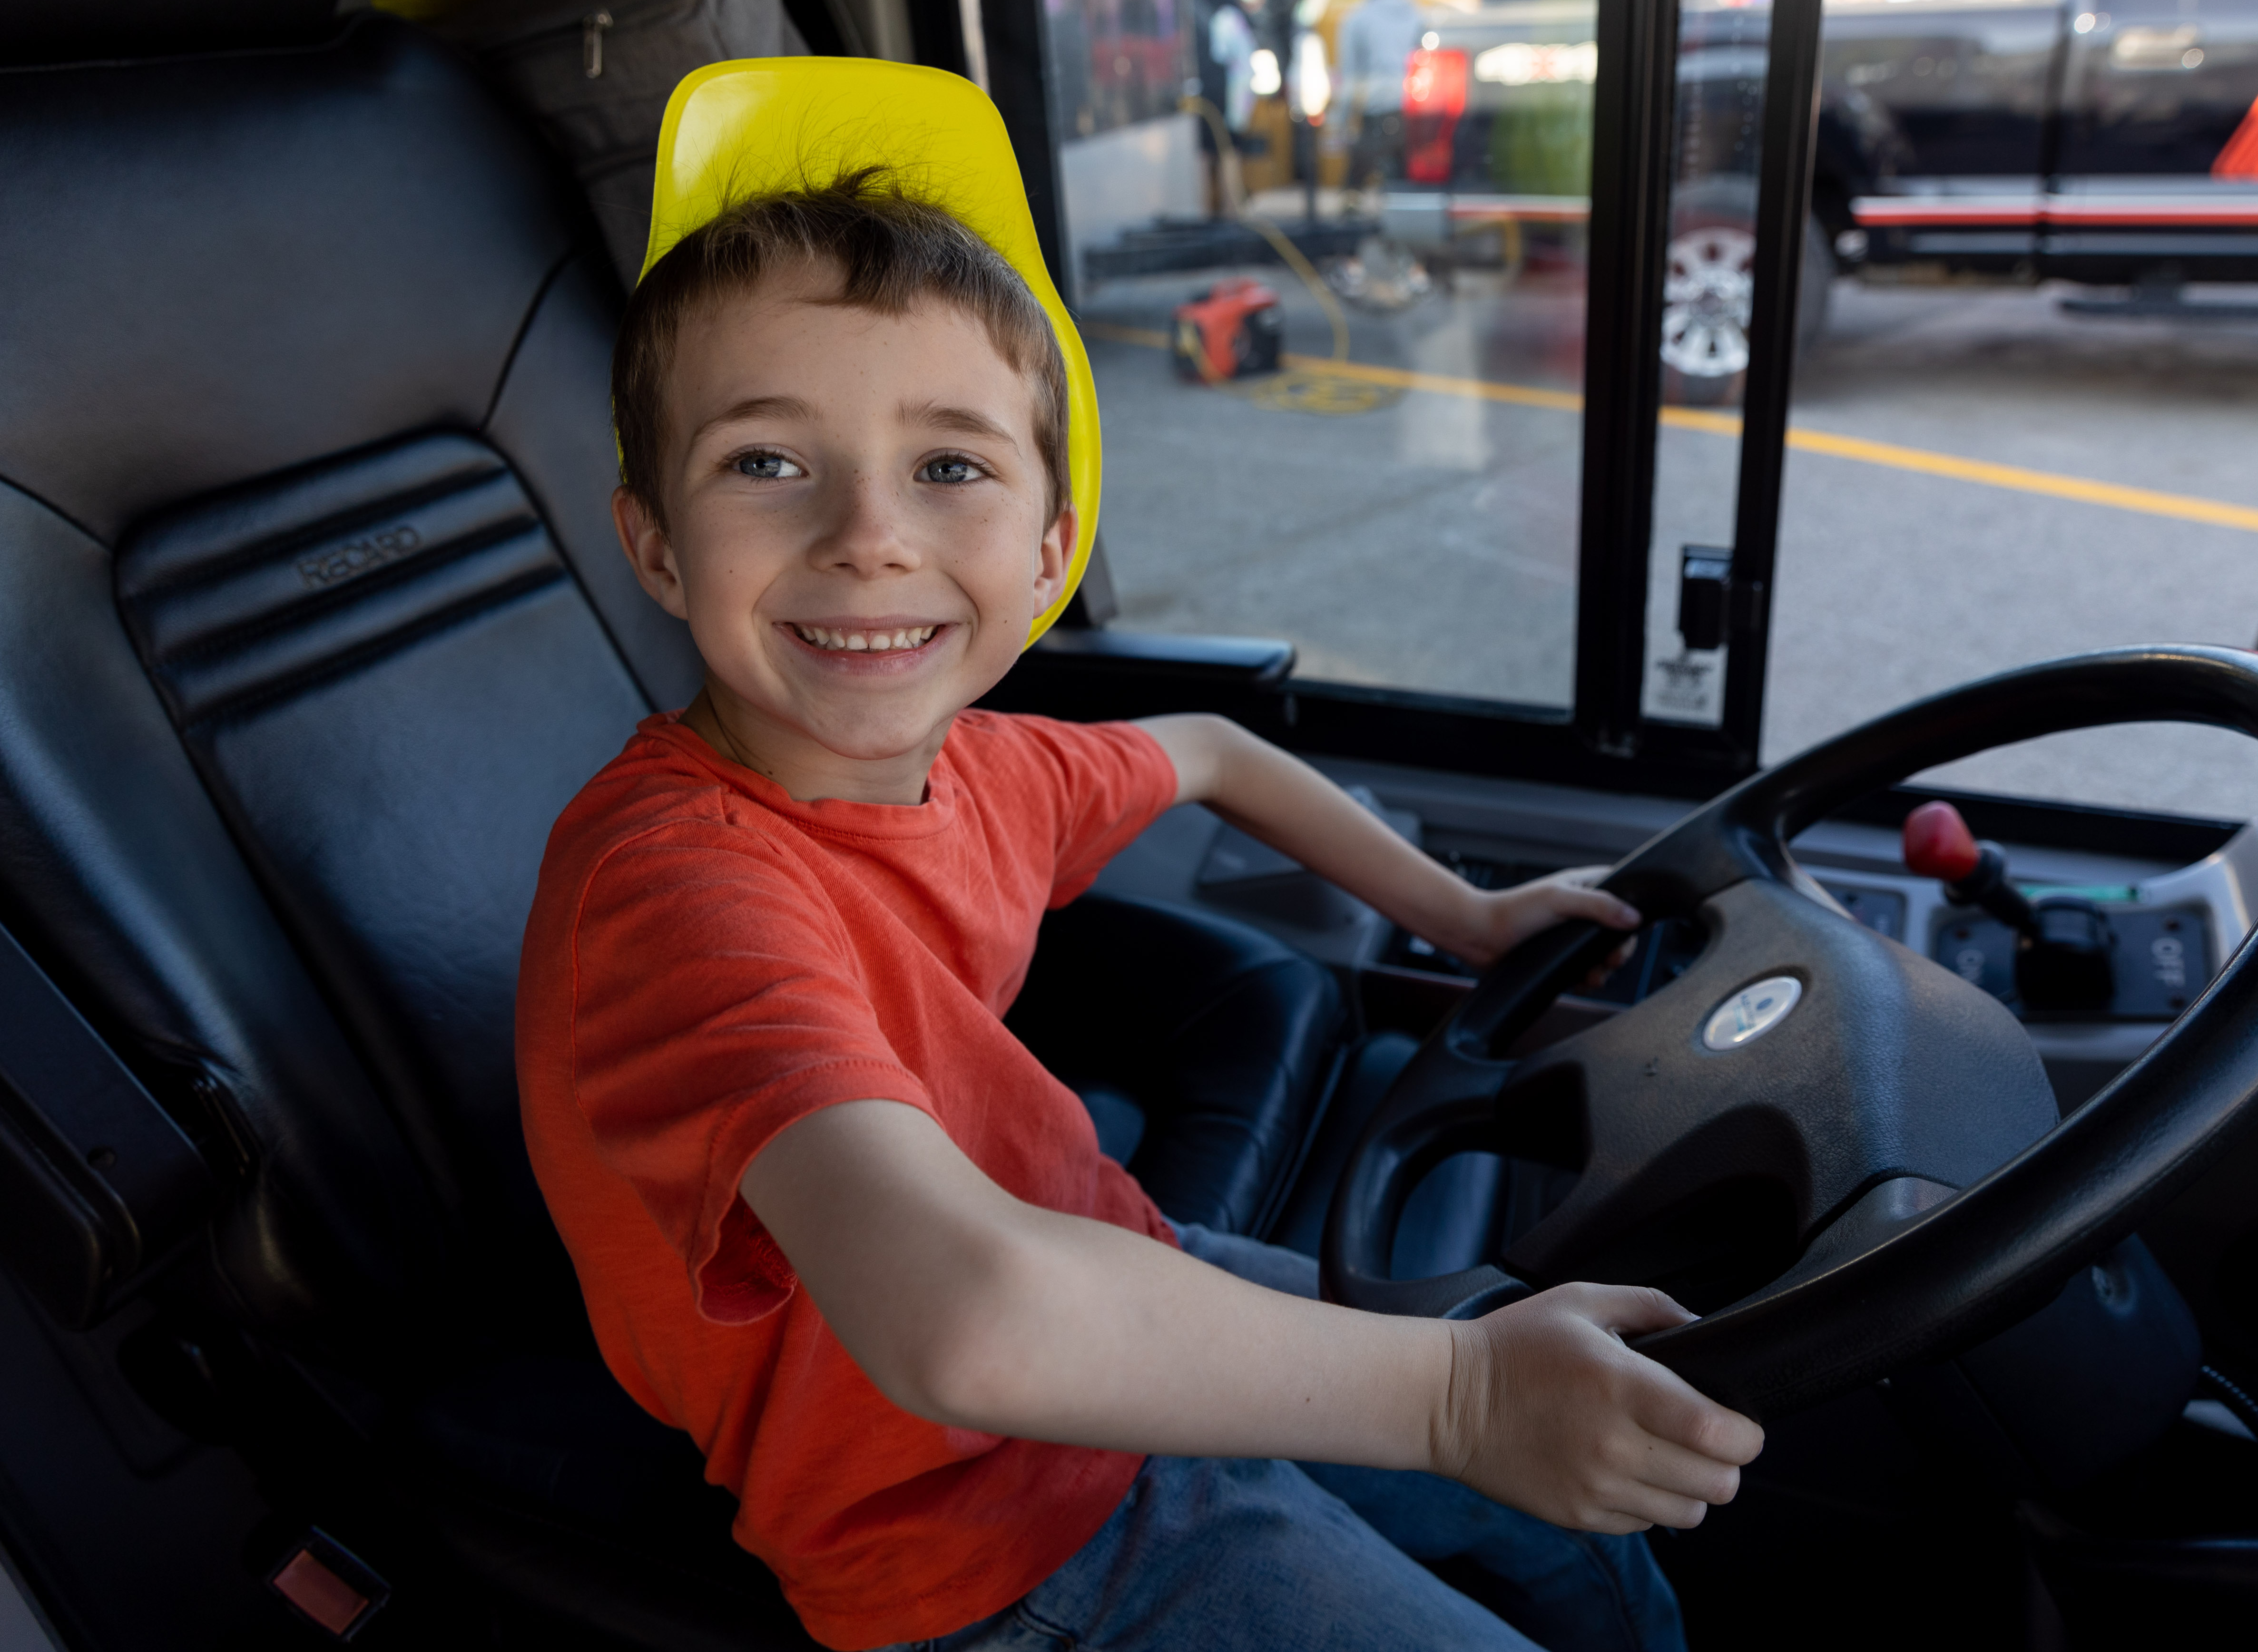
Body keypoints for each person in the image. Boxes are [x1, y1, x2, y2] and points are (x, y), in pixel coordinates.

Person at [518, 152, 1760, 1652]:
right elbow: (965, 1322)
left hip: (1115, 1259)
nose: (869, 534)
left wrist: (1469, 917)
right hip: (970, 1522)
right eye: (766, 463)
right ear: (654, 540)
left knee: (1582, 1530)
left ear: (1051, 550)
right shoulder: (674, 895)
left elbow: (1216, 753)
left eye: (951, 465)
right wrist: (1462, 1394)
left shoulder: (987, 767)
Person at [1336, 0, 1426, 201]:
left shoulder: (1357, 18)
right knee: (1407, 175)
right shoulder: (1416, 13)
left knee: (1360, 171)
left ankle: (1351, 209)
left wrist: (1342, 118)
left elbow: (1349, 71)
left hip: (1377, 103)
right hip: (1414, 102)